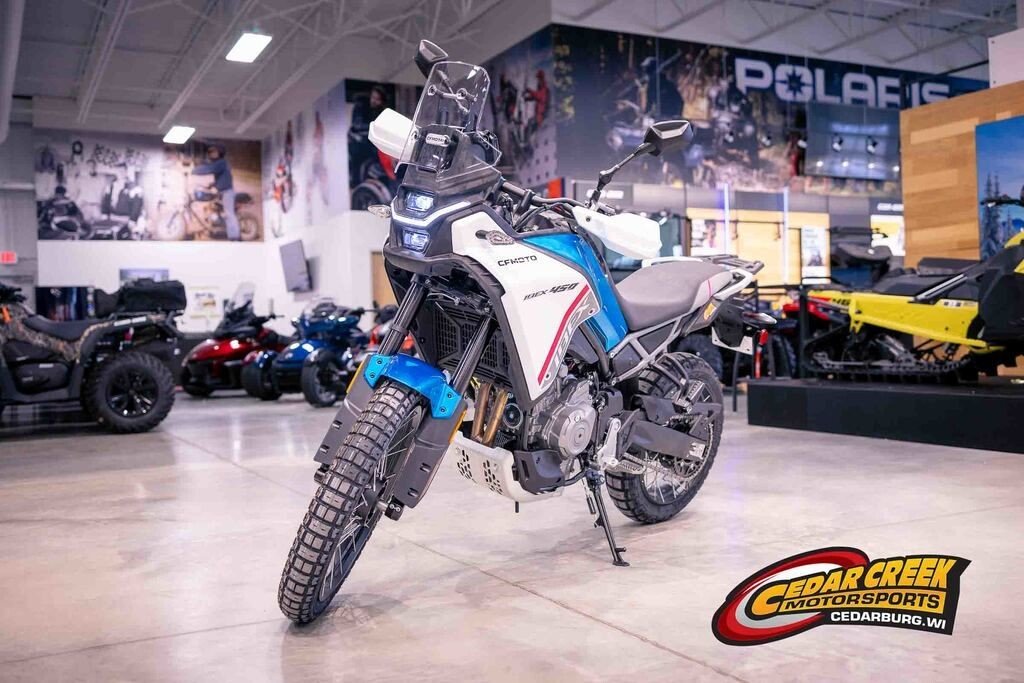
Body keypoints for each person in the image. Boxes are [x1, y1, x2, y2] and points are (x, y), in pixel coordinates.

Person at [192, 142, 240, 241]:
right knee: (212, 207)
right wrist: (211, 186)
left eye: (213, 152)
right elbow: (221, 177)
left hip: (227, 192)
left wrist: (194, 170)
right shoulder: (218, 163)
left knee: (229, 213)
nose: (211, 153)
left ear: (220, 152)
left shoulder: (221, 163)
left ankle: (235, 237)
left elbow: (209, 169)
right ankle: (212, 225)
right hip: (221, 191)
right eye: (209, 152)